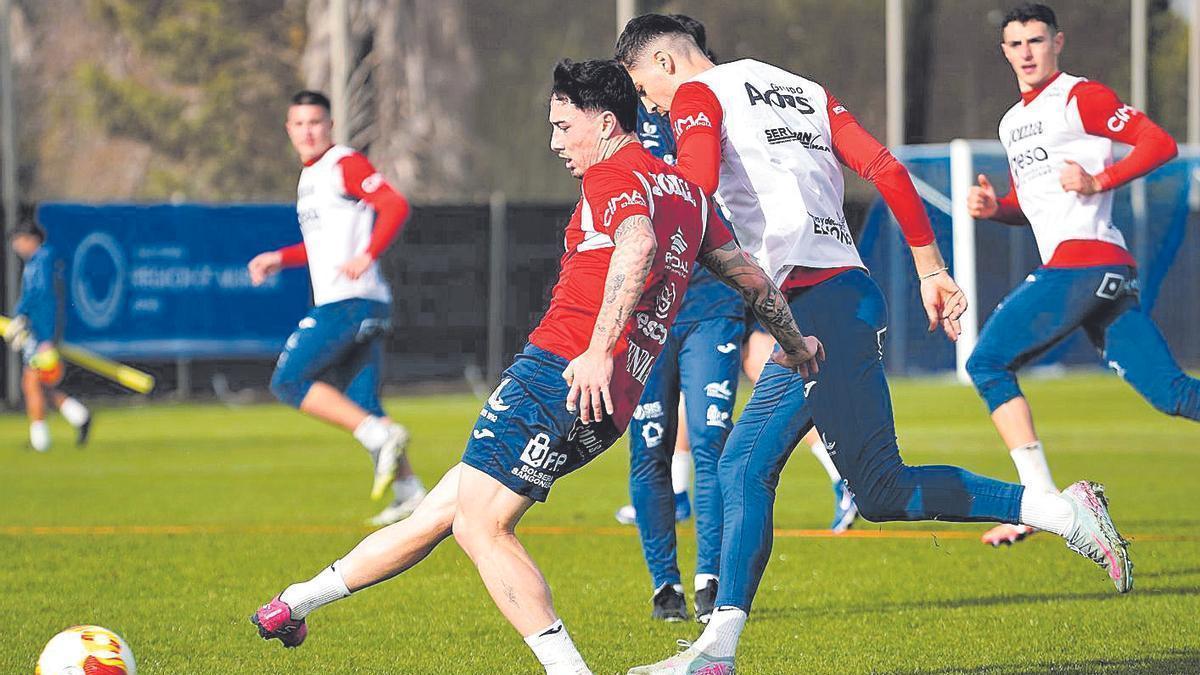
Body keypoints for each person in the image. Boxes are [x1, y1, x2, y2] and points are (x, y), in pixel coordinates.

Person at [249, 59, 822, 675]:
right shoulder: (687, 192)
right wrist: (791, 344)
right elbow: (748, 275)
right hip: (608, 401)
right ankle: (297, 602)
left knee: (480, 526)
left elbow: (637, 242)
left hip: (561, 372)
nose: (554, 142)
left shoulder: (613, 171)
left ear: (604, 123)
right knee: (444, 512)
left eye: (561, 126)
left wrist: (597, 350)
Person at [616, 15, 1132, 673]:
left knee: (751, 466)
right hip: (839, 295)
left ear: (663, 62)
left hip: (816, 303)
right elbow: (885, 168)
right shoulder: (799, 87)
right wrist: (930, 267)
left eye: (645, 91)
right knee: (872, 488)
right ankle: (1062, 513)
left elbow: (691, 186)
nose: (653, 107)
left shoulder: (696, 95)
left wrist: (632, 218)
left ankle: (716, 655)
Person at [965, 3, 1199, 546]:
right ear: (1005, 51)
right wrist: (994, 207)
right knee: (1173, 394)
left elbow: (1159, 142)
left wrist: (1100, 179)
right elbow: (1033, 203)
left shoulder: (1080, 96)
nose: (1027, 52)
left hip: (1086, 262)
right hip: (1098, 271)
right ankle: (1040, 504)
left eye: (1037, 41)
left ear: (1058, 42)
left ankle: (1040, 503)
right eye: (1016, 44)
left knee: (987, 362)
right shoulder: (1012, 122)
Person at [617, 14, 749, 625]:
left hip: (712, 303)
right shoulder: (622, 121)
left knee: (714, 442)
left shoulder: (715, 108)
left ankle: (711, 578)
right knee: (649, 445)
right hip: (648, 307)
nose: (646, 95)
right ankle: (662, 584)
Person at [247, 90, 425, 527]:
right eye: (299, 124)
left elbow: (394, 205)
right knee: (362, 402)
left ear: (329, 126)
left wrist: (368, 253)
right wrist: (279, 258)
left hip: (351, 300)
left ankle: (380, 436)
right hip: (359, 300)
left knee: (288, 381)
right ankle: (411, 493)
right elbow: (321, 247)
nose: (308, 131)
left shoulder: (343, 163)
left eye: (315, 122)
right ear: (289, 130)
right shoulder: (310, 177)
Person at [3, 220, 92, 451]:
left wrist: (39, 333)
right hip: (38, 332)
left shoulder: (43, 259)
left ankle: (40, 441)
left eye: (19, 242)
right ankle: (80, 416)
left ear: (31, 239)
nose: (17, 248)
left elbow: (43, 298)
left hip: (43, 335)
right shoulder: (38, 261)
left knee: (31, 382)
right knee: (41, 386)